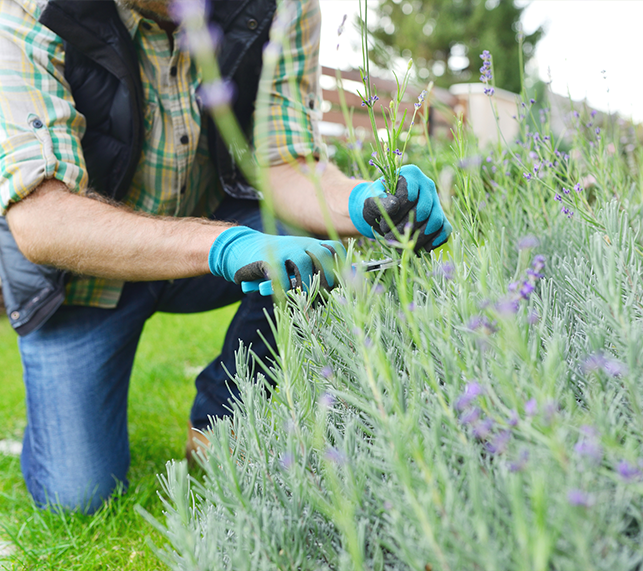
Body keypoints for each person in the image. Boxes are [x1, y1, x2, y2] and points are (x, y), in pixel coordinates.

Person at [0, 0, 452, 513]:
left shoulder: (284, 6)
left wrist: (362, 202)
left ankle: (220, 418)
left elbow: (285, 161)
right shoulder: (30, 8)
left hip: (202, 232)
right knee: (77, 495)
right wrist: (226, 245)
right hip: (83, 271)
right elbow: (42, 217)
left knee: (316, 246)